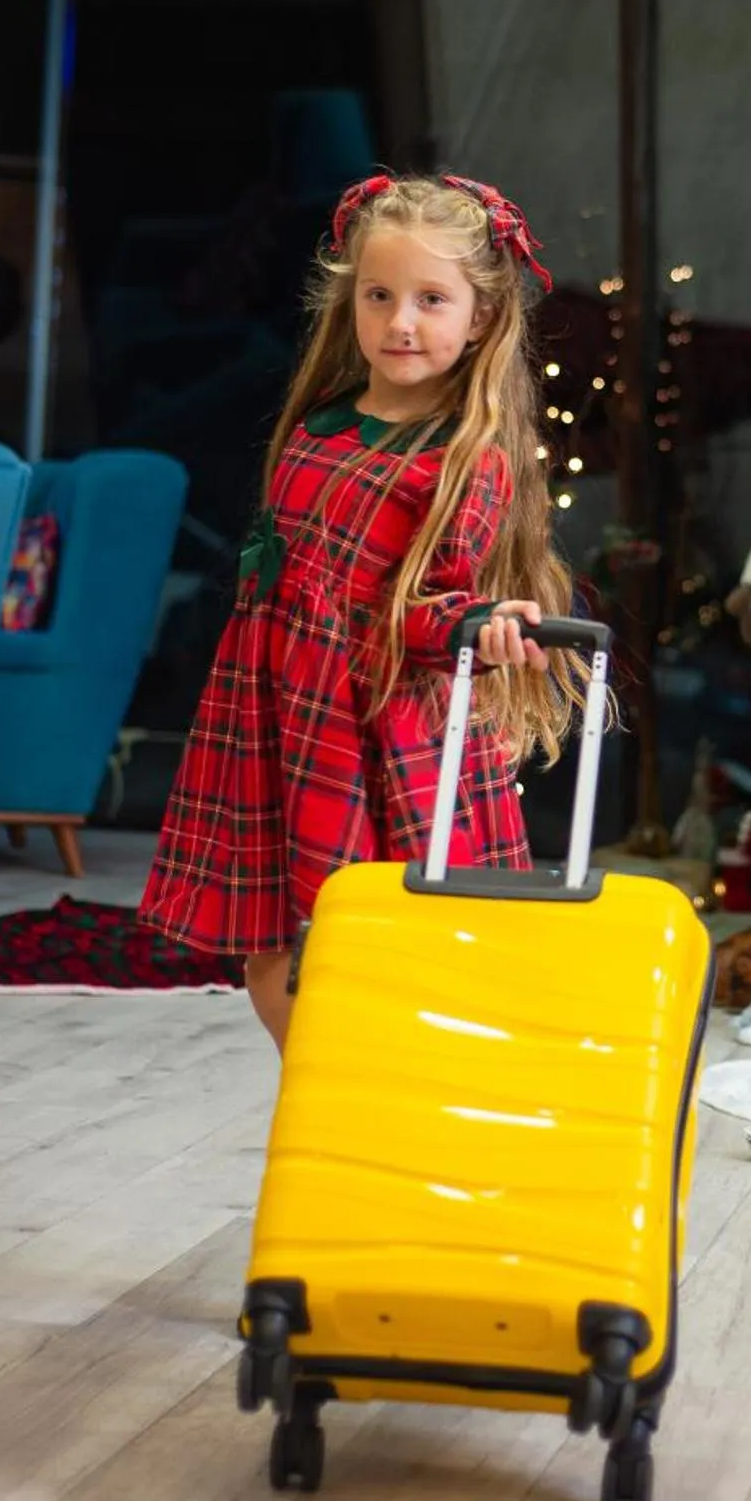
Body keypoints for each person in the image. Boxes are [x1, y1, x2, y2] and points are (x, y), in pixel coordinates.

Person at [139, 171, 584, 1049]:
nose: (400, 322)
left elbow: (424, 609)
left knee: (382, 946)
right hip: (271, 717)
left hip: (372, 734)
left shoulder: (465, 458)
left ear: (482, 317)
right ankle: (322, 1107)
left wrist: (477, 629)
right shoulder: (318, 428)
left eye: (430, 299)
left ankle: (388, 1105)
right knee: (265, 950)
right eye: (378, 296)